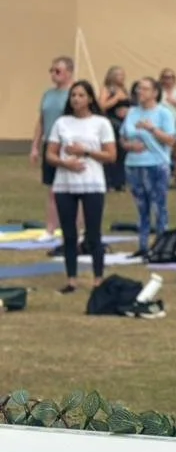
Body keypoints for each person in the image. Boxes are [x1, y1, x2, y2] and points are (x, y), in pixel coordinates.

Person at [45, 79, 116, 293]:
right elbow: (51, 153)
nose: (76, 99)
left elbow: (111, 155)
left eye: (81, 95)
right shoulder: (62, 123)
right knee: (69, 234)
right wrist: (64, 162)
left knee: (93, 233)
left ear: (90, 99)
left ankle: (98, 278)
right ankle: (71, 279)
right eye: (73, 95)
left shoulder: (101, 123)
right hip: (65, 184)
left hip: (92, 184)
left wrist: (85, 152)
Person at [120, 76, 176, 257]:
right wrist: (129, 146)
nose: (140, 92)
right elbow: (123, 136)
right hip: (133, 164)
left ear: (155, 92)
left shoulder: (164, 113)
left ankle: (161, 245)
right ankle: (143, 245)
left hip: (156, 164)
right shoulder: (132, 112)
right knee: (141, 207)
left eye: (144, 89)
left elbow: (170, 139)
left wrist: (151, 129)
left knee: (158, 206)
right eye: (138, 88)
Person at [31, 56, 74, 239]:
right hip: (50, 144)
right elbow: (41, 121)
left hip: (68, 145)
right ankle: (50, 228)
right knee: (52, 189)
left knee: (74, 189)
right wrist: (35, 146)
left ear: (69, 73)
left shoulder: (74, 94)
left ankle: (75, 229)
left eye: (58, 71)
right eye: (52, 71)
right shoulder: (48, 94)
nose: (53, 74)